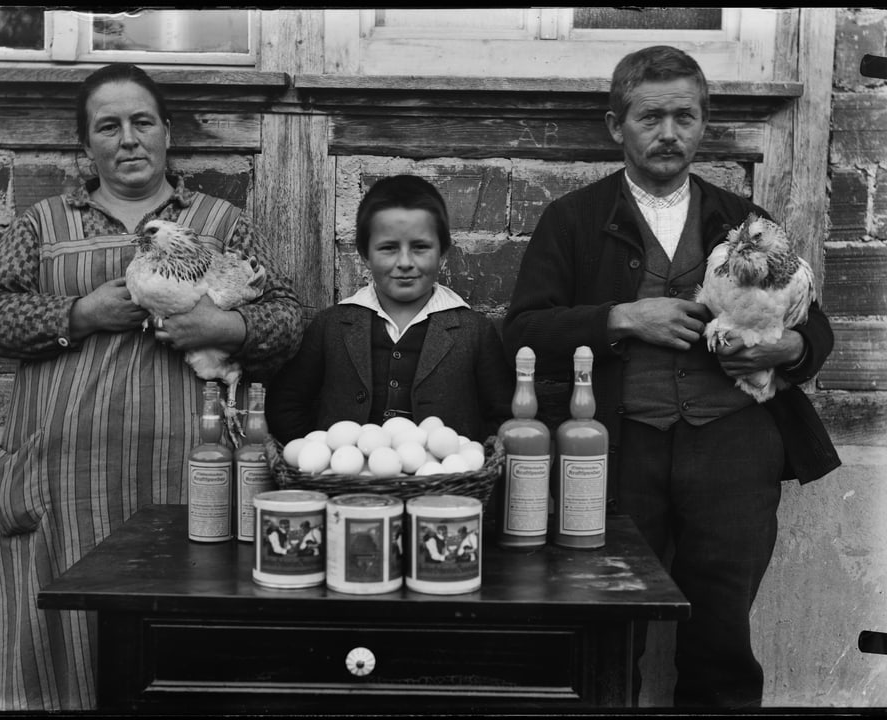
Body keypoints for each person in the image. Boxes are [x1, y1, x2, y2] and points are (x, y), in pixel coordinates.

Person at [503, 45, 840, 708]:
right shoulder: (573, 220)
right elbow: (522, 334)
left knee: (721, 638)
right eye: (650, 116)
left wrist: (786, 348)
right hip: (617, 447)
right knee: (605, 633)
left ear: (703, 123)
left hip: (734, 448)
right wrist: (624, 317)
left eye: (684, 116)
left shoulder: (743, 221)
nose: (668, 133)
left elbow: (815, 327)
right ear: (615, 125)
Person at [0, 63, 303, 711]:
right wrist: (78, 315)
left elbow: (287, 321)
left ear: (167, 132)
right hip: (62, 488)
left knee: (177, 658)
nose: (128, 139)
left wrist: (222, 325)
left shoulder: (220, 223)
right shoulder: (42, 224)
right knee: (55, 657)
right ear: (85, 145)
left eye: (142, 121)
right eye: (109, 126)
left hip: (184, 481)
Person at [266, 174, 513, 443]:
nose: (405, 262)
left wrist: (462, 461)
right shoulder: (331, 326)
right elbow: (285, 406)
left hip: (444, 483)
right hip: (346, 482)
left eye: (420, 247)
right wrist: (324, 457)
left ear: (442, 253)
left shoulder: (474, 332)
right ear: (364, 254)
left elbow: (502, 417)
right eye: (388, 248)